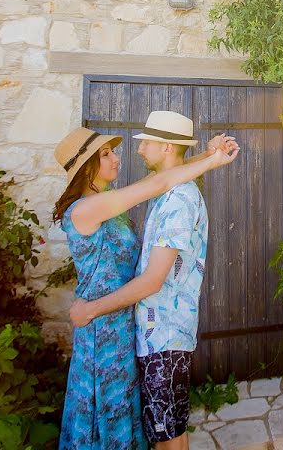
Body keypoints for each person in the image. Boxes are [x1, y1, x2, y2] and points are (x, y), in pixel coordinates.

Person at [53, 123, 238, 450]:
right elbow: (160, 181)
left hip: (126, 323)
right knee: (107, 412)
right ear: (86, 168)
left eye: (112, 151)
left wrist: (206, 156)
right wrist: (210, 160)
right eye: (105, 154)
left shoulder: (109, 200)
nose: (117, 157)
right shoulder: (86, 209)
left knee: (137, 416)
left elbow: (161, 180)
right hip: (101, 326)